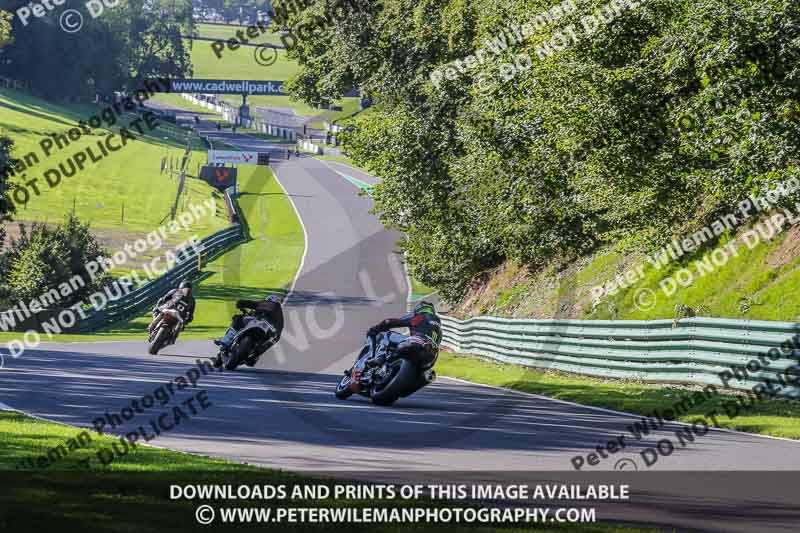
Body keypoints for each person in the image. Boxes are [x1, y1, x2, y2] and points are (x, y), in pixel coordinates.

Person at [366, 301, 442, 368]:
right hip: (430, 356)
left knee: (387, 335)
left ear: (418, 310)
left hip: (416, 343)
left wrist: (378, 327)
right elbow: (437, 344)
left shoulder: (420, 317)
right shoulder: (439, 329)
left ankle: (379, 357)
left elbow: (390, 322)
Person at [213, 295, 284, 367]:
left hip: (257, 323)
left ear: (268, 300)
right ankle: (255, 356)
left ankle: (225, 340)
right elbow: (279, 329)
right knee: (271, 341)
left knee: (238, 319)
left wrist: (240, 304)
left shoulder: (265, 303)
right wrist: (275, 336)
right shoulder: (279, 313)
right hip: (268, 330)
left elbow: (247, 303)